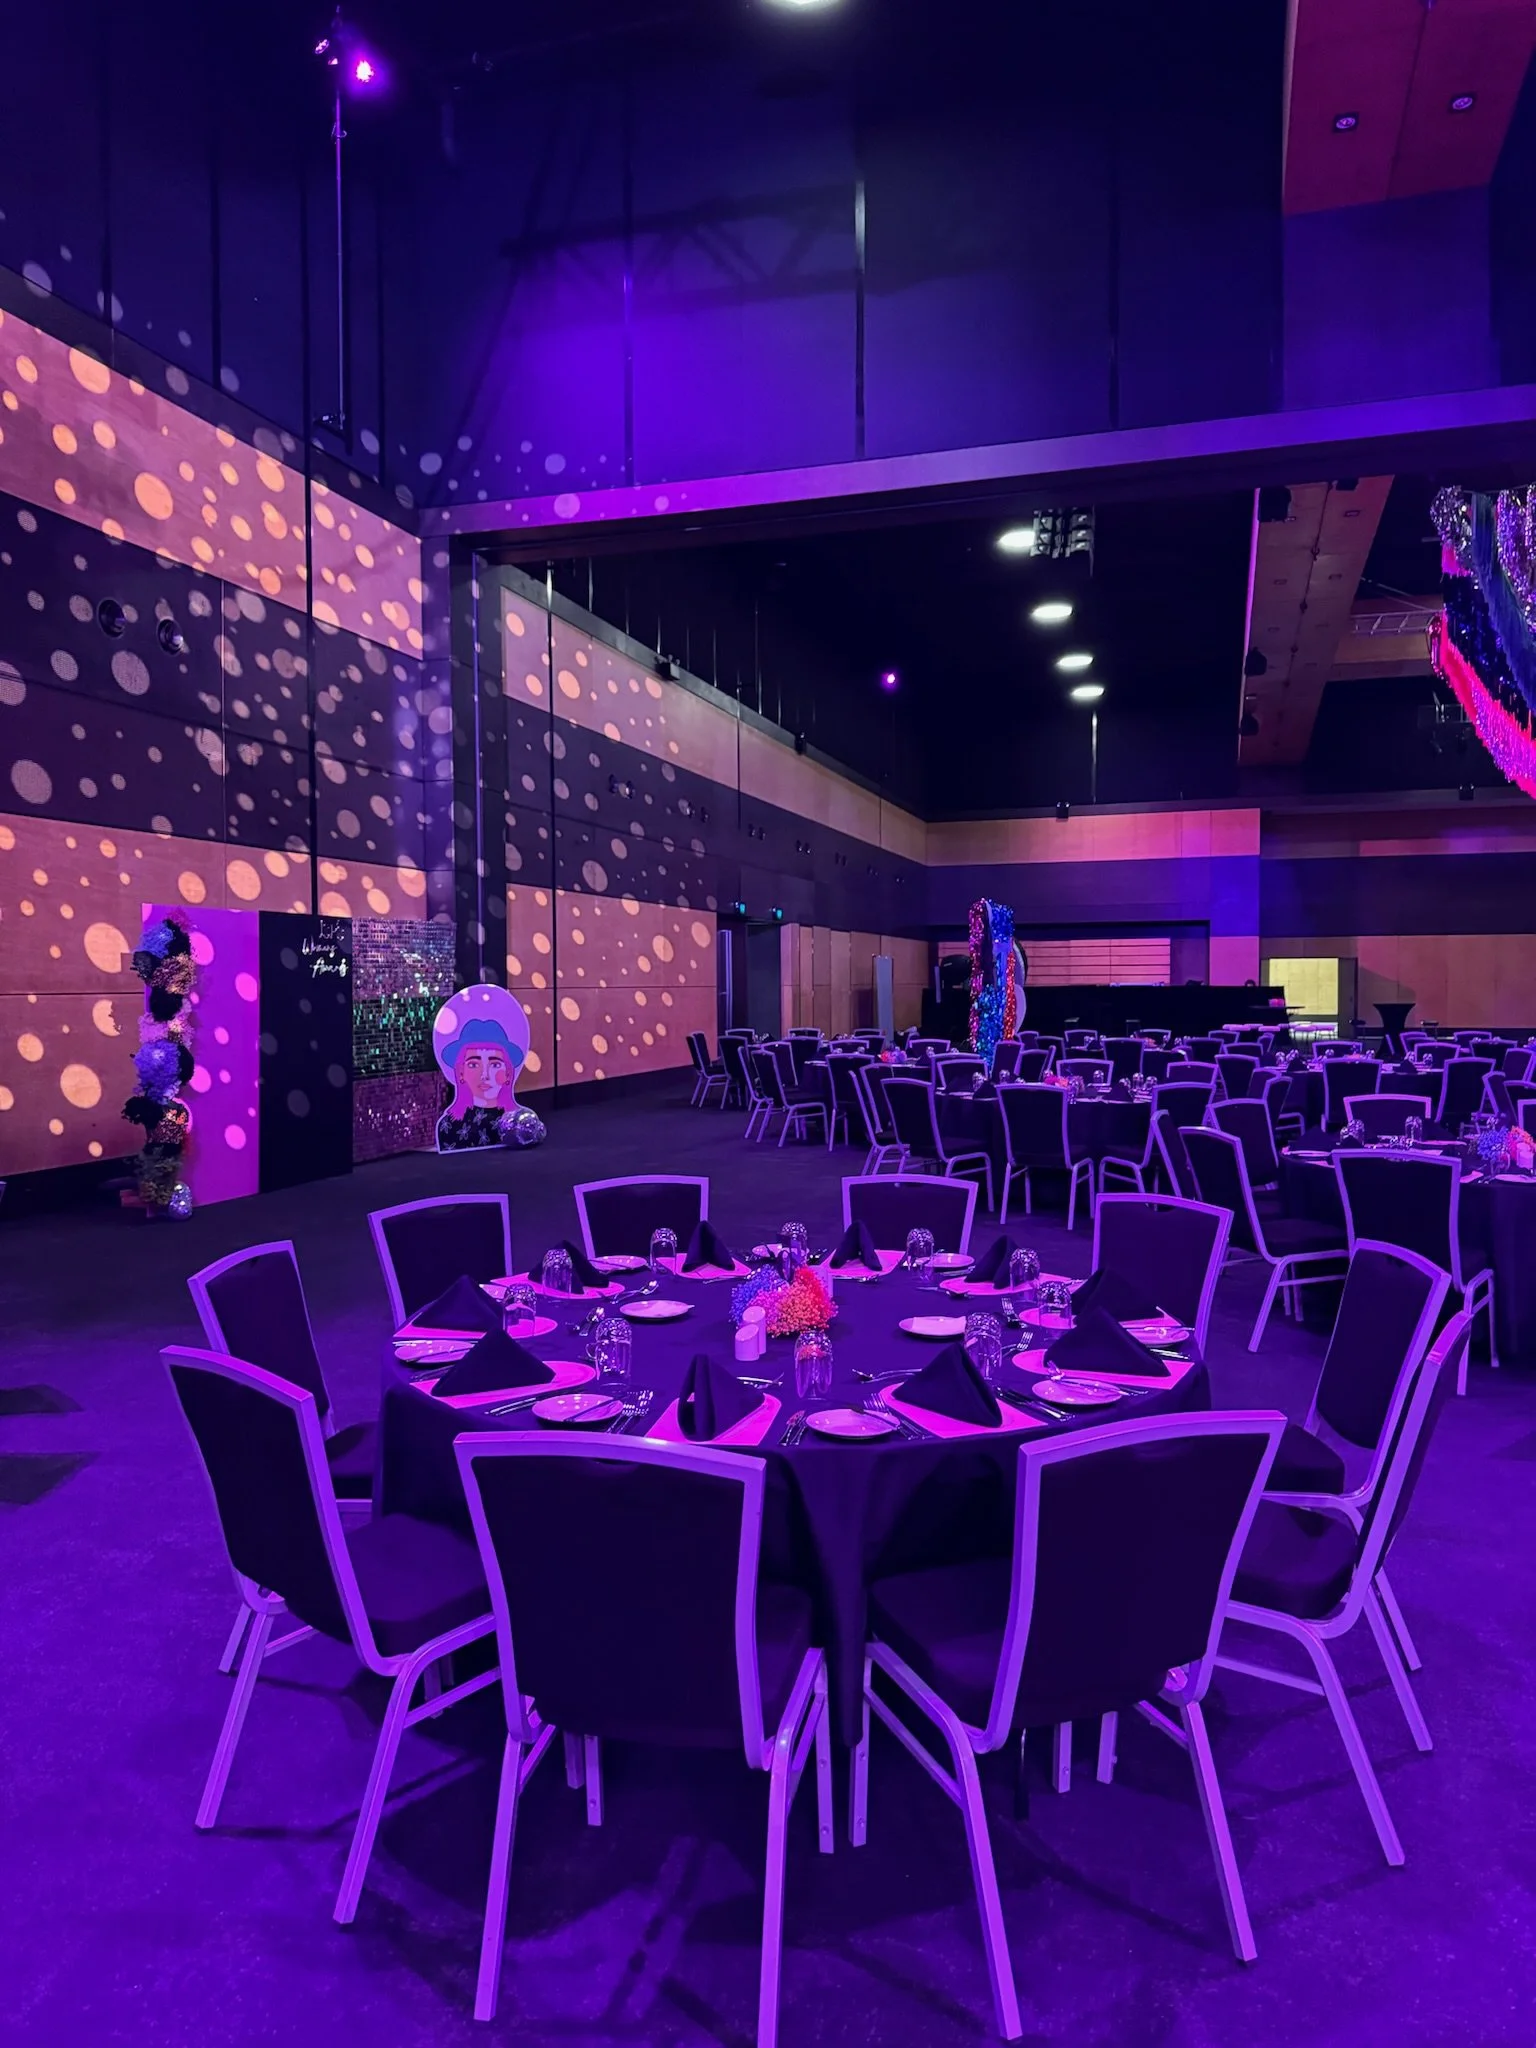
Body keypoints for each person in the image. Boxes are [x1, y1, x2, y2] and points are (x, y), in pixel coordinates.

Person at [435, 1018, 524, 1151]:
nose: (484, 1075)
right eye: (473, 1065)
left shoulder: (519, 1122)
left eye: (495, 1065)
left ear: (508, 1073)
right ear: (461, 1073)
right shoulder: (449, 1126)